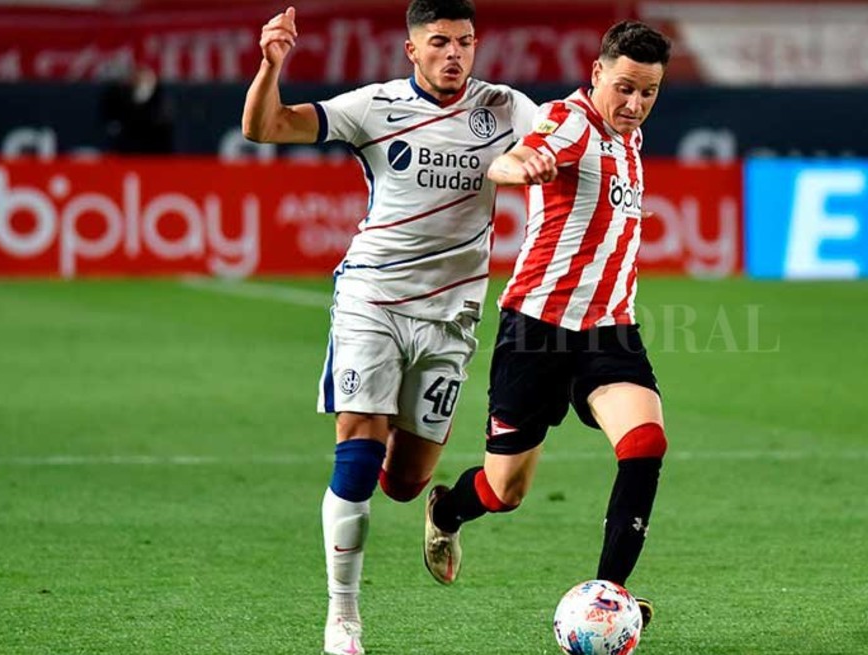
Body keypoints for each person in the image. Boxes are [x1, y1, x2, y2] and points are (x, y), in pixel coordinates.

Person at [241, 2, 537, 654]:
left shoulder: (506, 108)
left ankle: (440, 510)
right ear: (412, 50)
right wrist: (271, 65)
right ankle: (342, 617)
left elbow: (561, 142)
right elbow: (266, 126)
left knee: (405, 482)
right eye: (439, 43)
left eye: (463, 42)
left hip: (451, 318)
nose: (453, 54)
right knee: (358, 446)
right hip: (371, 300)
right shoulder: (373, 107)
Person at [422, 20, 673, 629]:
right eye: (625, 88)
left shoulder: (629, 139)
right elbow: (514, 160)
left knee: (645, 444)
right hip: (535, 328)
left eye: (648, 92)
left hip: (610, 330)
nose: (634, 104)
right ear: (596, 75)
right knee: (504, 490)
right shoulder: (571, 121)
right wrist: (521, 167)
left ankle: (609, 594)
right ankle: (447, 512)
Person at [101, 65, 175, 154]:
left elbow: (162, 120)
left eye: (147, 79)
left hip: (155, 146)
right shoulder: (121, 94)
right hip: (130, 145)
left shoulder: (160, 96)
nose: (142, 81)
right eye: (139, 78)